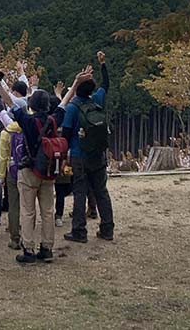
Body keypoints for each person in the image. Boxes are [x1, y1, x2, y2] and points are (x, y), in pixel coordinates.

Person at [0, 67, 92, 264]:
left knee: (28, 211)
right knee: (47, 211)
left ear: (31, 104)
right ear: (47, 105)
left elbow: (10, 103)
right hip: (48, 169)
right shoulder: (53, 119)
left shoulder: (28, 121)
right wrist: (75, 83)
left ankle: (28, 249)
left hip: (29, 170)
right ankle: (47, 248)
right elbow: (64, 102)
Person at [62, 51, 115, 243]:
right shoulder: (97, 100)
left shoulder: (73, 108)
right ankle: (107, 229)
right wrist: (103, 64)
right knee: (101, 191)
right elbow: (106, 85)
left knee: (80, 193)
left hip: (79, 155)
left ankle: (79, 231)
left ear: (76, 90)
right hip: (99, 154)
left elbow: (66, 133)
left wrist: (64, 154)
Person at [0, 115, 22, 250]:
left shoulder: (5, 133)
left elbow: (3, 157)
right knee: (28, 206)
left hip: (12, 171)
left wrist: (1, 176)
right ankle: (29, 235)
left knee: (13, 204)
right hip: (27, 170)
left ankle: (15, 237)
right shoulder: (26, 127)